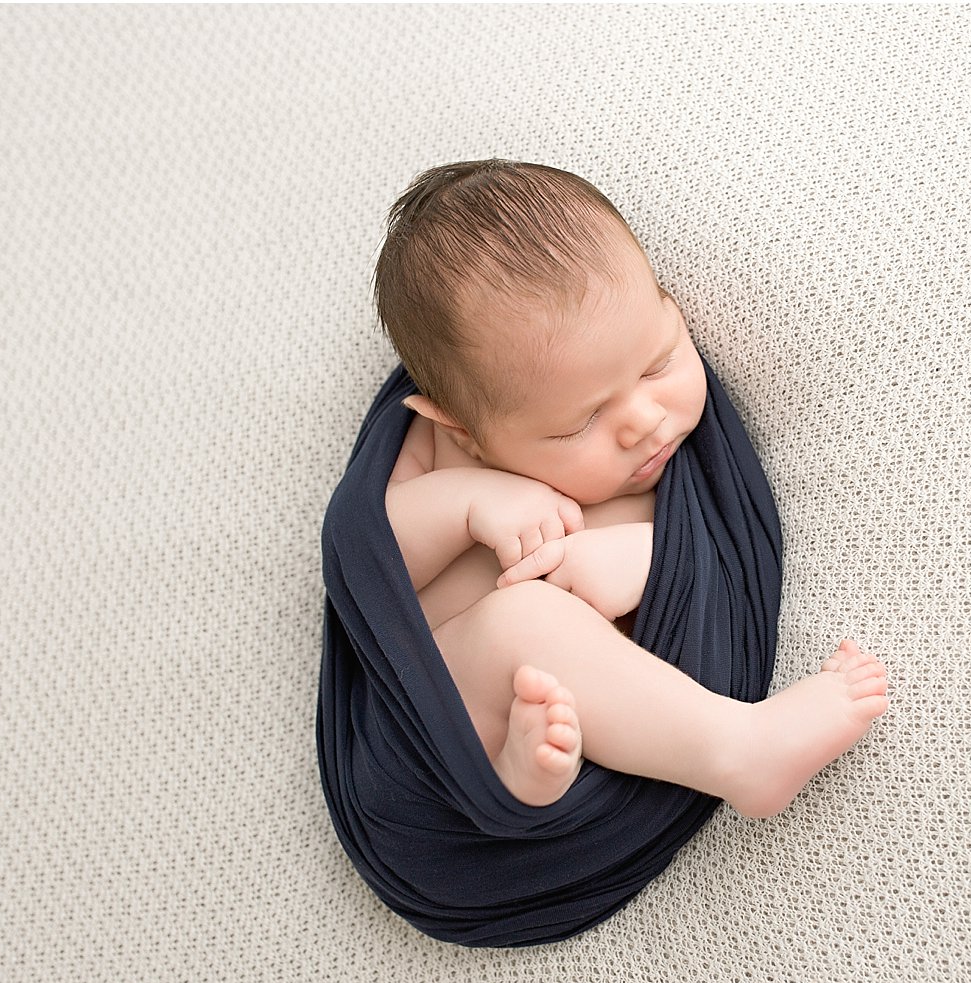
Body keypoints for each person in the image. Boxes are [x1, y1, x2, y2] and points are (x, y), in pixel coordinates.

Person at [374, 159, 888, 814]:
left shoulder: (669, 471)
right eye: (580, 422)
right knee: (517, 624)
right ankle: (740, 749)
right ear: (466, 430)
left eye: (660, 360)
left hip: (591, 698)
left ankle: (529, 771)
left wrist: (646, 556)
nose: (644, 422)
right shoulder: (440, 448)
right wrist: (470, 502)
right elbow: (373, 560)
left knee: (545, 666)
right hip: (450, 707)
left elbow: (706, 568)